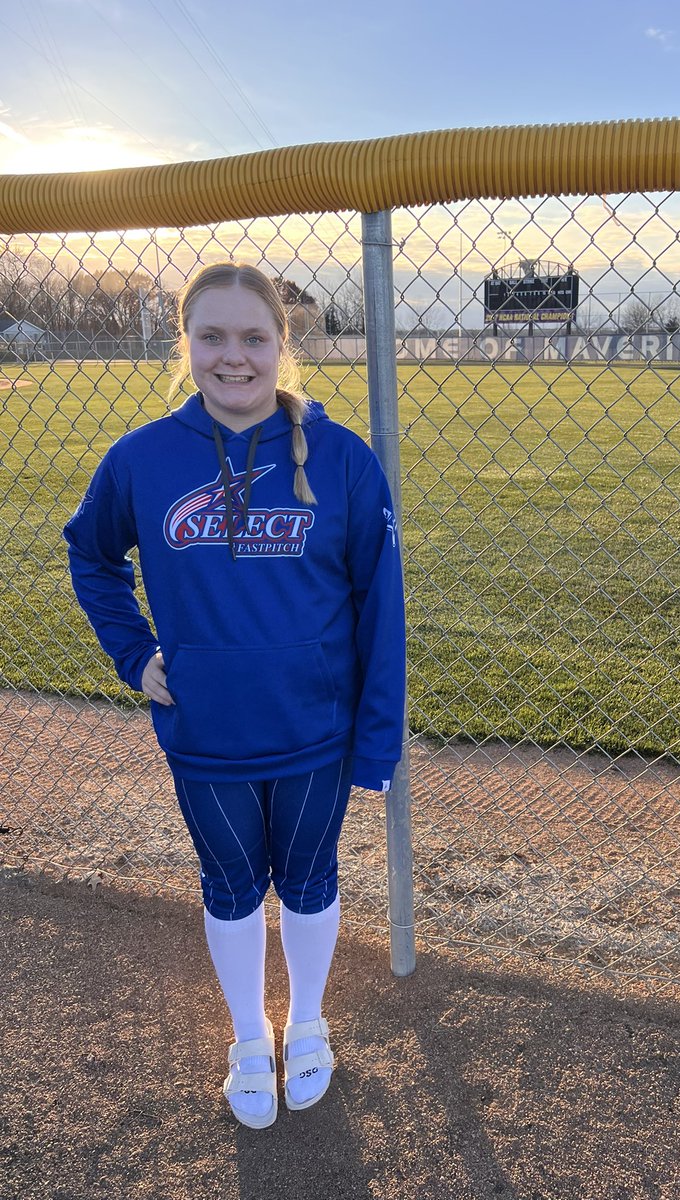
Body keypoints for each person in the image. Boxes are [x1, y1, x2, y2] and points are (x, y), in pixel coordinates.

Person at [64, 261, 406, 1129]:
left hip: (314, 734)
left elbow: (382, 608)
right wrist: (133, 654)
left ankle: (309, 1022)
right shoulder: (140, 460)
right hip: (206, 734)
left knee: (310, 881)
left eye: (254, 338)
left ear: (283, 347)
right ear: (184, 345)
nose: (234, 357)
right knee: (228, 885)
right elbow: (91, 554)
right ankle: (249, 1035)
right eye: (211, 336)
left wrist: (376, 739)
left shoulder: (342, 460)